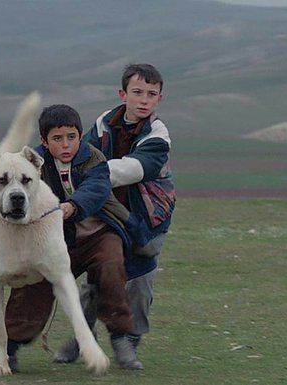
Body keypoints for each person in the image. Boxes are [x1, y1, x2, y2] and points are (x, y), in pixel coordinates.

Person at [2, 103, 148, 371]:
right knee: (33, 282)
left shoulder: (93, 158)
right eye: (57, 139)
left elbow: (97, 188)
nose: (66, 144)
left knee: (111, 266)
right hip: (53, 239)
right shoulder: (32, 164)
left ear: (80, 136)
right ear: (45, 142)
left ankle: (120, 339)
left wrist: (73, 205)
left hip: (98, 233)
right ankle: (9, 348)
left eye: (72, 137)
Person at [53, 63, 176, 369]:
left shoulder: (158, 136)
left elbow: (134, 169)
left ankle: (130, 343)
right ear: (123, 94)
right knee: (98, 277)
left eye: (151, 94)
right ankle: (83, 338)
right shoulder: (103, 123)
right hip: (107, 214)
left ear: (160, 98)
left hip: (147, 218)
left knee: (140, 281)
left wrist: (90, 176)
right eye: (137, 92)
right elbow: (79, 152)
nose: (143, 99)